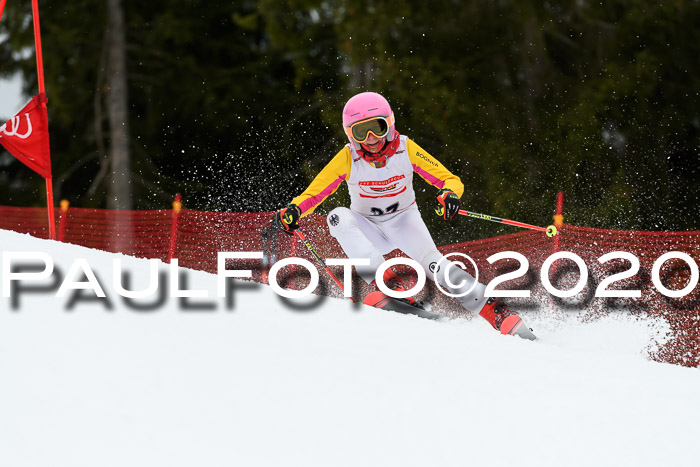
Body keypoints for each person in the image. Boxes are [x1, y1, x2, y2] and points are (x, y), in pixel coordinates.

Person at [274, 91, 535, 339]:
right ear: (349, 134)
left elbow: (449, 179)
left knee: (436, 265)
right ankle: (390, 287)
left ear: (389, 123)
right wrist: (295, 209)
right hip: (369, 227)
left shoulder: (405, 148)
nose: (370, 138)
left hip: (404, 221)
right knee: (337, 217)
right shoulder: (347, 157)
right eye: (360, 132)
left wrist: (450, 195)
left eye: (376, 127)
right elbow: (316, 192)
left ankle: (497, 313)